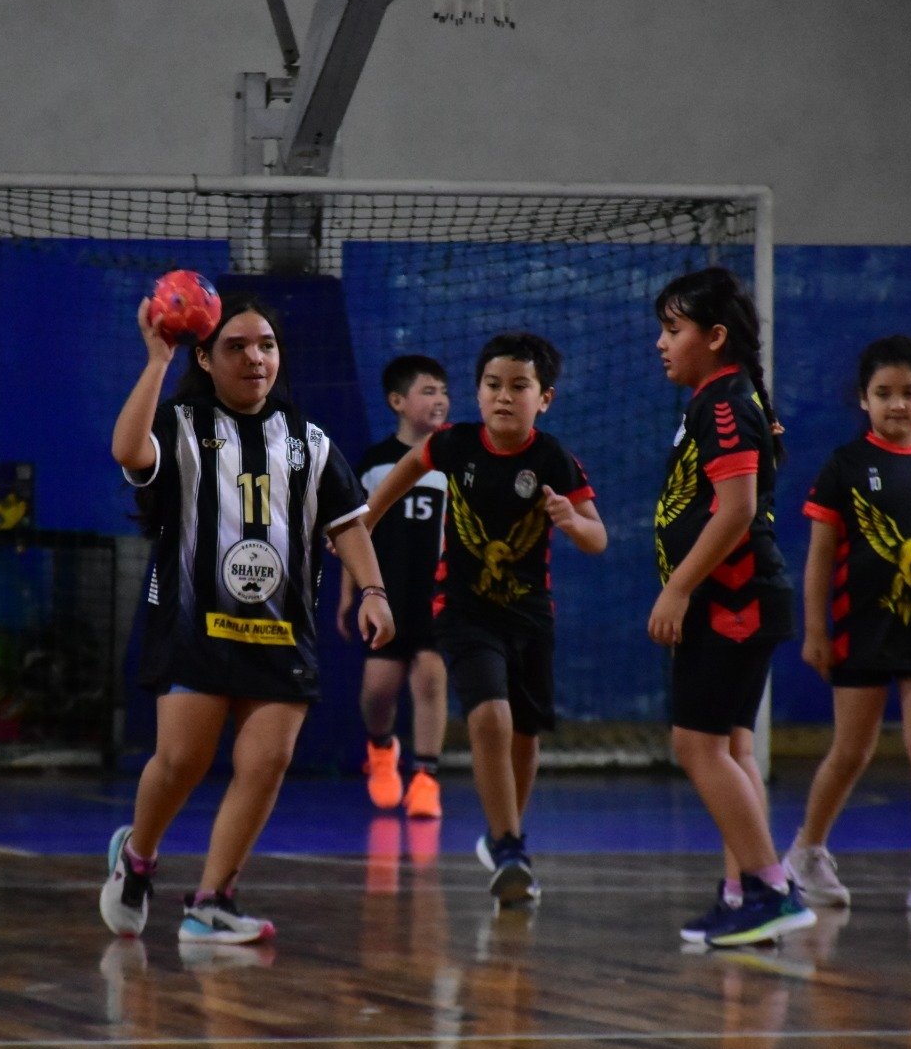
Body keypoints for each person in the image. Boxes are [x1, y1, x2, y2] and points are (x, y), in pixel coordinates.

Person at [100, 292, 394, 944]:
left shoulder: (308, 441)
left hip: (280, 631)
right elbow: (127, 450)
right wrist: (156, 360)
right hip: (194, 623)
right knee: (181, 762)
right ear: (204, 356)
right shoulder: (179, 423)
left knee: (266, 763)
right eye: (236, 346)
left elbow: (348, 524)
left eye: (266, 344)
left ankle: (213, 902)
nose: (255, 357)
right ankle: (138, 858)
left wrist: (373, 590)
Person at [363, 332, 607, 906]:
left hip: (529, 616)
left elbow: (598, 538)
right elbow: (402, 473)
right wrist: (365, 522)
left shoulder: (553, 460)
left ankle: (505, 833)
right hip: (464, 611)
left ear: (543, 398)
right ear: (477, 392)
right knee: (490, 717)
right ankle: (509, 846)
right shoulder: (454, 445)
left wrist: (571, 519)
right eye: (493, 385)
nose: (504, 396)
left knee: (524, 733)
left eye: (519, 387)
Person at [648, 266, 816, 947]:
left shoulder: (722, 403)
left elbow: (739, 507)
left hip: (732, 604)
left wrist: (680, 586)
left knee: (696, 744)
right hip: (737, 604)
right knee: (729, 746)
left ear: (715, 338)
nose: (661, 344)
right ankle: (746, 890)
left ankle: (772, 889)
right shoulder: (718, 398)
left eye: (672, 329)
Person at [783, 335, 911, 912]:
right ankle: (807, 851)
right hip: (859, 629)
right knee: (852, 751)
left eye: (909, 393)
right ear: (863, 401)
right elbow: (819, 556)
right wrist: (815, 630)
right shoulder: (845, 466)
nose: (897, 404)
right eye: (883, 393)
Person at [338, 355, 451, 818]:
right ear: (397, 402)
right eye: (428, 391)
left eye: (444, 391)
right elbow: (353, 530)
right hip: (387, 593)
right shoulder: (375, 465)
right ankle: (381, 749)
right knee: (378, 689)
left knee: (430, 676)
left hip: (437, 593)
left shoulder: (452, 460)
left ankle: (426, 777)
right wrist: (352, 591)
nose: (440, 400)